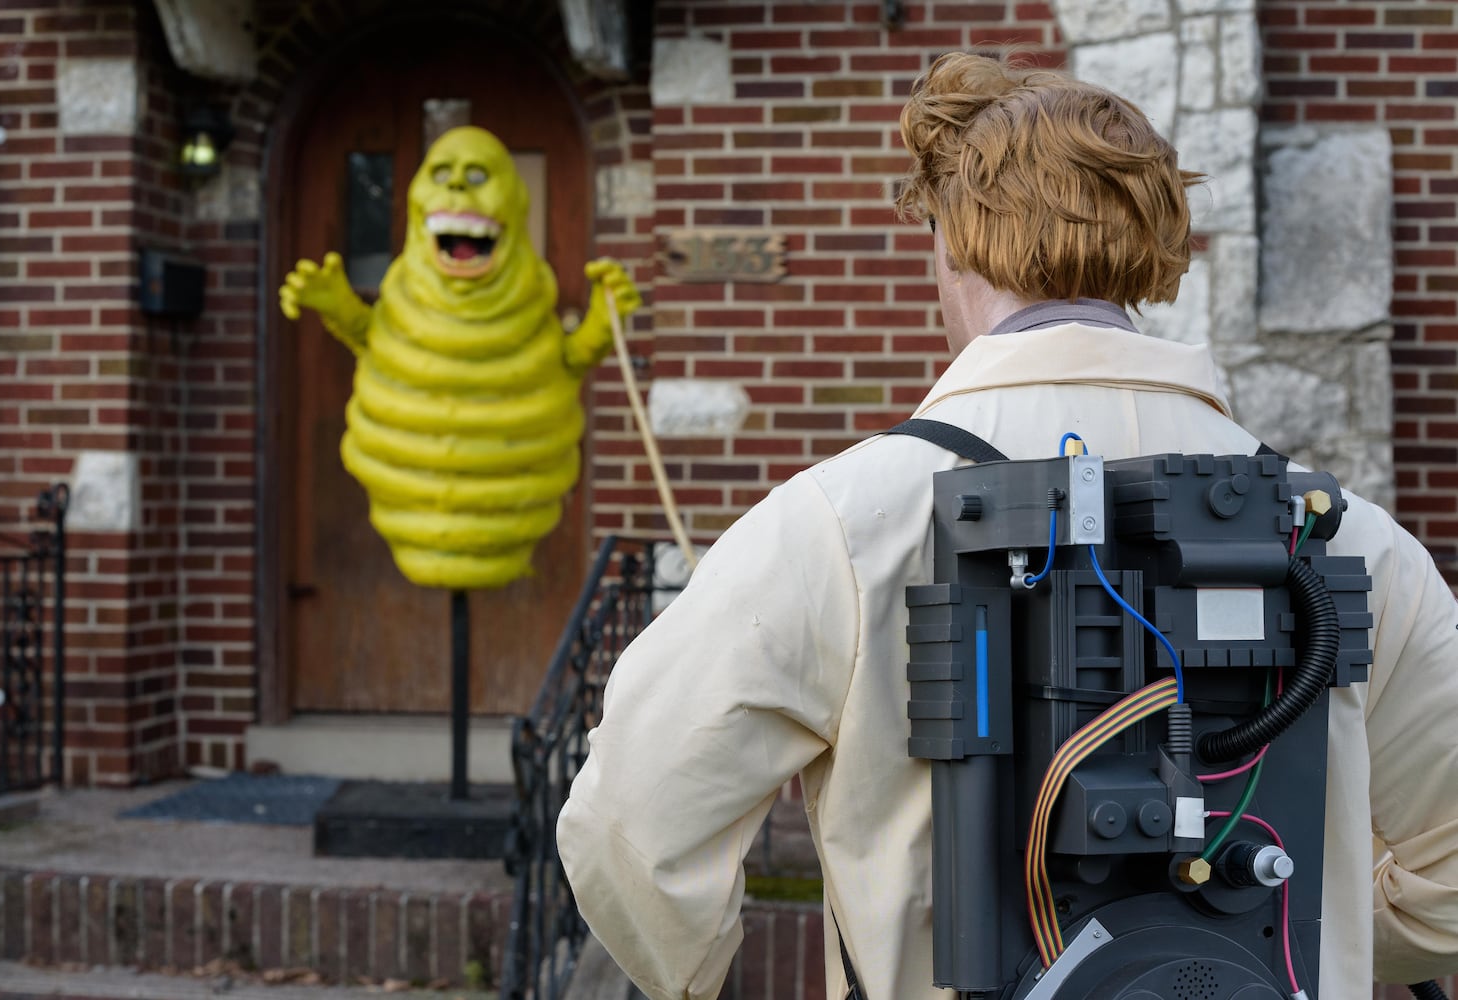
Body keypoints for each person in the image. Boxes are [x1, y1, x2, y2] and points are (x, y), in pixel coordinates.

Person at [556, 51, 1458, 1000]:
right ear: (1157, 250)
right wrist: (1311, 947)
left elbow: (630, 826)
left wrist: (694, 979)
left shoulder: (841, 521)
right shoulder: (1348, 541)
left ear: (949, 245)